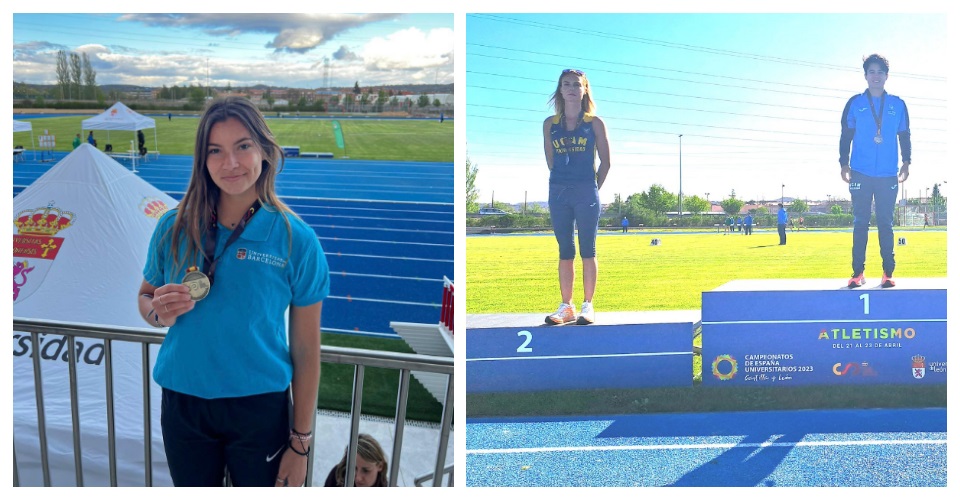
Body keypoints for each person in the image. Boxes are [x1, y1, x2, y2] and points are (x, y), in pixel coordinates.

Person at [137, 96, 330, 487]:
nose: (231, 163)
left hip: (259, 407)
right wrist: (159, 312)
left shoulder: (297, 240)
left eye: (243, 146)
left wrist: (301, 443)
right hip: (183, 400)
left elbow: (307, 351)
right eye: (215, 150)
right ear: (202, 160)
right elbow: (146, 298)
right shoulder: (172, 227)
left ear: (264, 150)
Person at [542, 69, 611, 326]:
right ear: (560, 90)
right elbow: (551, 161)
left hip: (586, 190)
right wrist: (566, 184)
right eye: (566, 84)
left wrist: (592, 188)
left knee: (588, 249)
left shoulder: (594, 123)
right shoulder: (550, 124)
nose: (571, 88)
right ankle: (566, 306)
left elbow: (606, 162)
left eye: (576, 85)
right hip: (559, 190)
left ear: (584, 90)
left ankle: (587, 305)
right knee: (565, 250)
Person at [839, 54, 911, 288]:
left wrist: (907, 162)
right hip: (860, 171)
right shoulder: (855, 103)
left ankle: (887, 273)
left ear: (886, 76)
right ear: (866, 75)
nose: (876, 76)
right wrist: (843, 163)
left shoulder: (898, 105)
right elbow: (846, 135)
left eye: (880, 72)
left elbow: (904, 135)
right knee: (860, 222)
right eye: (872, 71)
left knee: (885, 224)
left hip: (888, 173)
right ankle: (857, 273)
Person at [324, 434, 389, 487]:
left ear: (380, 466)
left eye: (366, 470)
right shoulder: (337, 477)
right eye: (353, 469)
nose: (358, 478)